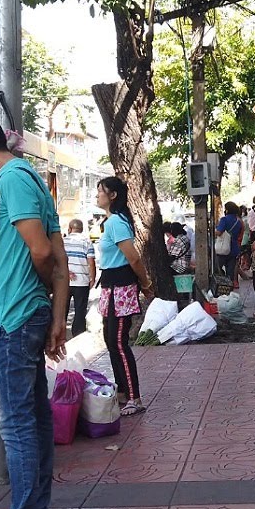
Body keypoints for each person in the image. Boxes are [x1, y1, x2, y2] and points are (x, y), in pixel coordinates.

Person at [0, 115, 69, 509]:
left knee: (18, 423)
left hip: (15, 316)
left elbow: (44, 253)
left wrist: (43, 304)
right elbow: (61, 263)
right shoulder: (33, 180)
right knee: (35, 419)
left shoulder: (11, 179)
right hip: (28, 313)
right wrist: (57, 316)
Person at [95, 176, 154, 416]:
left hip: (121, 287)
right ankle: (122, 392)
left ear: (113, 196)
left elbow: (134, 258)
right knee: (110, 341)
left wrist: (146, 282)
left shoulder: (117, 223)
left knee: (119, 343)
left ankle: (134, 397)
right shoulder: (110, 222)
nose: (97, 195)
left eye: (101, 191)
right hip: (110, 286)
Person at [63, 219, 96, 337]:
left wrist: (67, 272)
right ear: (81, 229)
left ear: (70, 229)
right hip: (82, 281)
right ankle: (78, 334)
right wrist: (92, 278)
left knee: (62, 309)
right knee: (80, 310)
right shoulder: (87, 242)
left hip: (64, 282)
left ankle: (60, 333)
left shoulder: (63, 241)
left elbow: (57, 260)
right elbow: (91, 262)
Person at [215, 202, 244, 283]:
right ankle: (229, 289)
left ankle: (221, 287)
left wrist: (215, 231)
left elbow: (219, 232)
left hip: (223, 248)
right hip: (234, 248)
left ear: (227, 210)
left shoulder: (224, 219)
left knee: (217, 269)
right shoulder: (238, 221)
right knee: (230, 271)